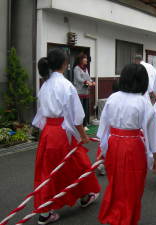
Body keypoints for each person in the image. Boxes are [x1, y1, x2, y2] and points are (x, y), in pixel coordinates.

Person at [33, 49, 100, 225]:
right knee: (76, 164)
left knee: (51, 169)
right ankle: (48, 211)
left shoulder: (45, 85)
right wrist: (84, 136)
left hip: (48, 131)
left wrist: (43, 134)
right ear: (65, 64)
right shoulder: (66, 85)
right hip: (62, 133)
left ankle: (51, 208)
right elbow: (77, 116)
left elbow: (41, 114)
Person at [97, 64, 156, 225]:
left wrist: (103, 149)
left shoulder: (112, 97)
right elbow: (153, 133)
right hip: (133, 146)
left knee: (116, 182)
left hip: (113, 143)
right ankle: (127, 218)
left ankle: (114, 215)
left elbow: (103, 128)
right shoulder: (143, 102)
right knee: (133, 186)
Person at [73, 53, 95, 130]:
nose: (86, 60)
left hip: (86, 92)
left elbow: (88, 78)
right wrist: (86, 82)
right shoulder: (76, 68)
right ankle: (80, 125)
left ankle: (85, 124)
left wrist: (92, 81)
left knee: (86, 109)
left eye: (86, 58)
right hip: (79, 92)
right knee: (80, 109)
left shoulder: (86, 69)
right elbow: (78, 79)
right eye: (85, 58)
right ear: (81, 60)